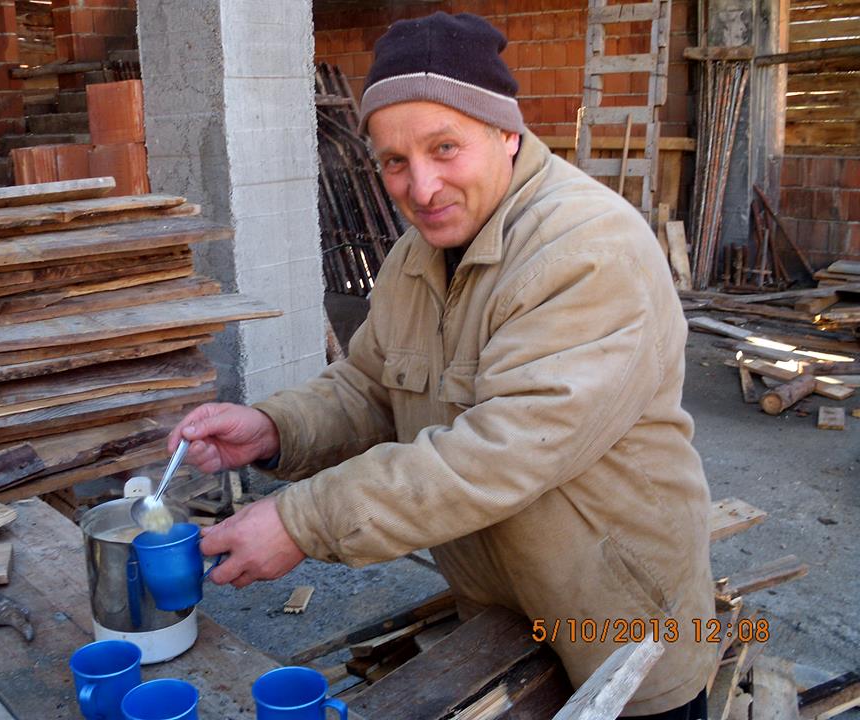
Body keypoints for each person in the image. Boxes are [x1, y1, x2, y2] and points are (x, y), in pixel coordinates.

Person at [168, 11, 716, 718]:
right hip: (502, 609)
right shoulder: (418, 255)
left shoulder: (588, 250)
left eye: (445, 148)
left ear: (507, 133)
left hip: (617, 620)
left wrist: (302, 521)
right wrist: (274, 428)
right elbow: (371, 385)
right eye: (395, 161)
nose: (421, 188)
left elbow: (503, 451)